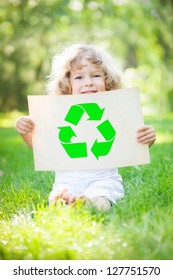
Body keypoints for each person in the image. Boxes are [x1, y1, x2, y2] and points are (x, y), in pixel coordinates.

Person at [15, 44, 156, 211]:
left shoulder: (115, 110)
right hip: (67, 181)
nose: (88, 83)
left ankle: (89, 204)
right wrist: (25, 132)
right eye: (79, 77)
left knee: (101, 199)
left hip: (104, 179)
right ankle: (69, 202)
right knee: (57, 201)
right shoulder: (57, 115)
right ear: (67, 83)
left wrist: (148, 138)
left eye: (95, 75)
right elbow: (43, 149)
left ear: (107, 79)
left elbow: (130, 143)